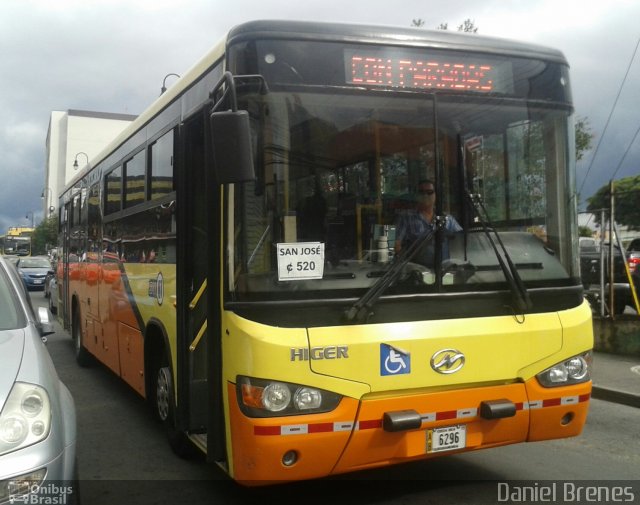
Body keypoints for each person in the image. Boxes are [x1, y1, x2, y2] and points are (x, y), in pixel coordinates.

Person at [394, 179, 462, 268]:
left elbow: (462, 243)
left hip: (444, 273)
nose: (425, 195)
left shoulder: (448, 219)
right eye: (421, 192)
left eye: (429, 192)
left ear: (436, 195)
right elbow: (394, 245)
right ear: (416, 195)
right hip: (416, 273)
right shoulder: (405, 217)